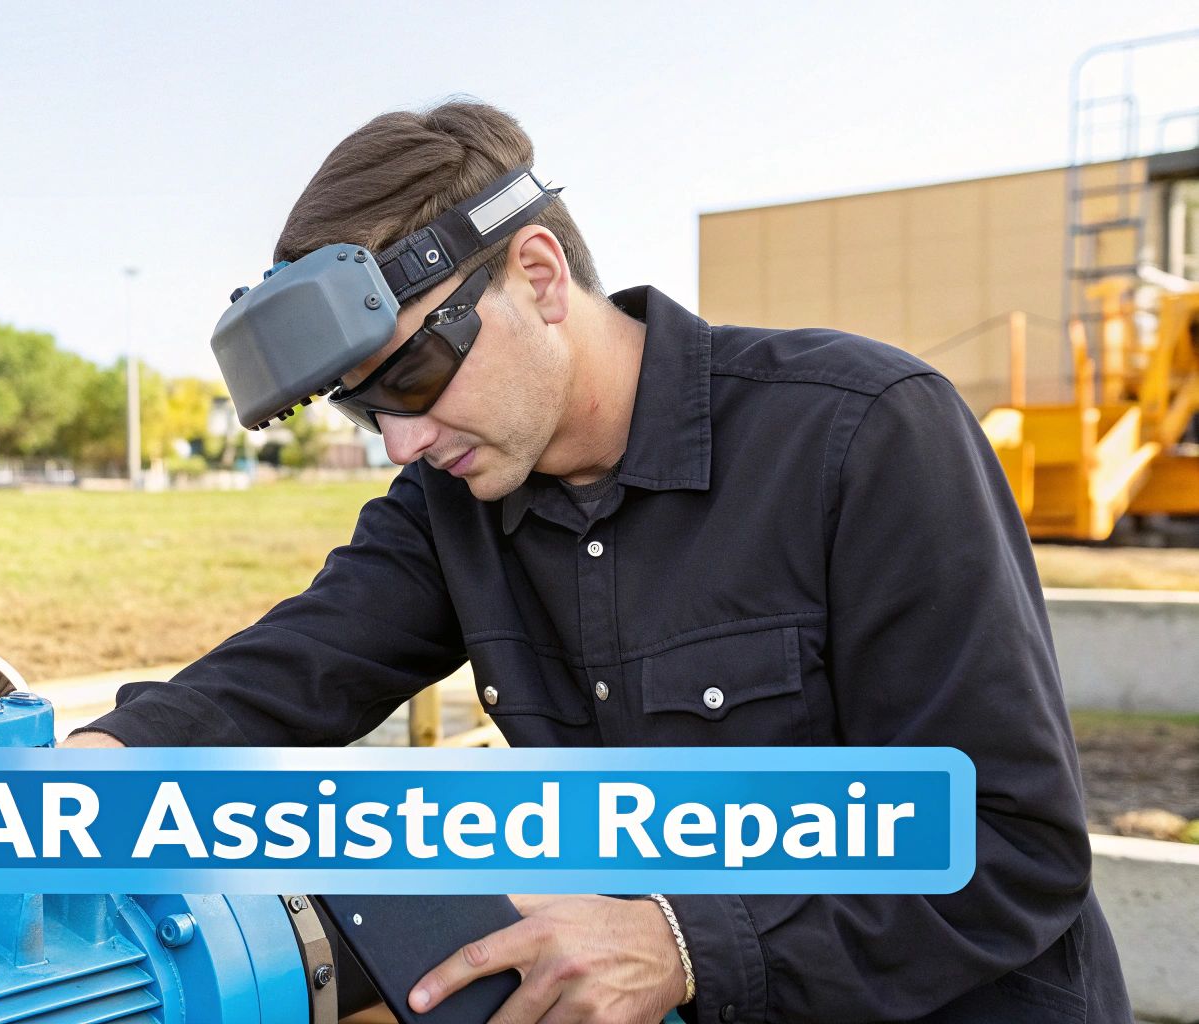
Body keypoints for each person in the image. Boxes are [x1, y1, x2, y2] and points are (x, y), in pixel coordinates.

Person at [64, 101, 1129, 1023]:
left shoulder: (858, 436)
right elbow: (284, 674)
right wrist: (83, 768)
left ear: (534, 275)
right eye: (361, 406)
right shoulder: (451, 507)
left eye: (414, 377)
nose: (399, 439)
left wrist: (674, 943)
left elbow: (1009, 849)